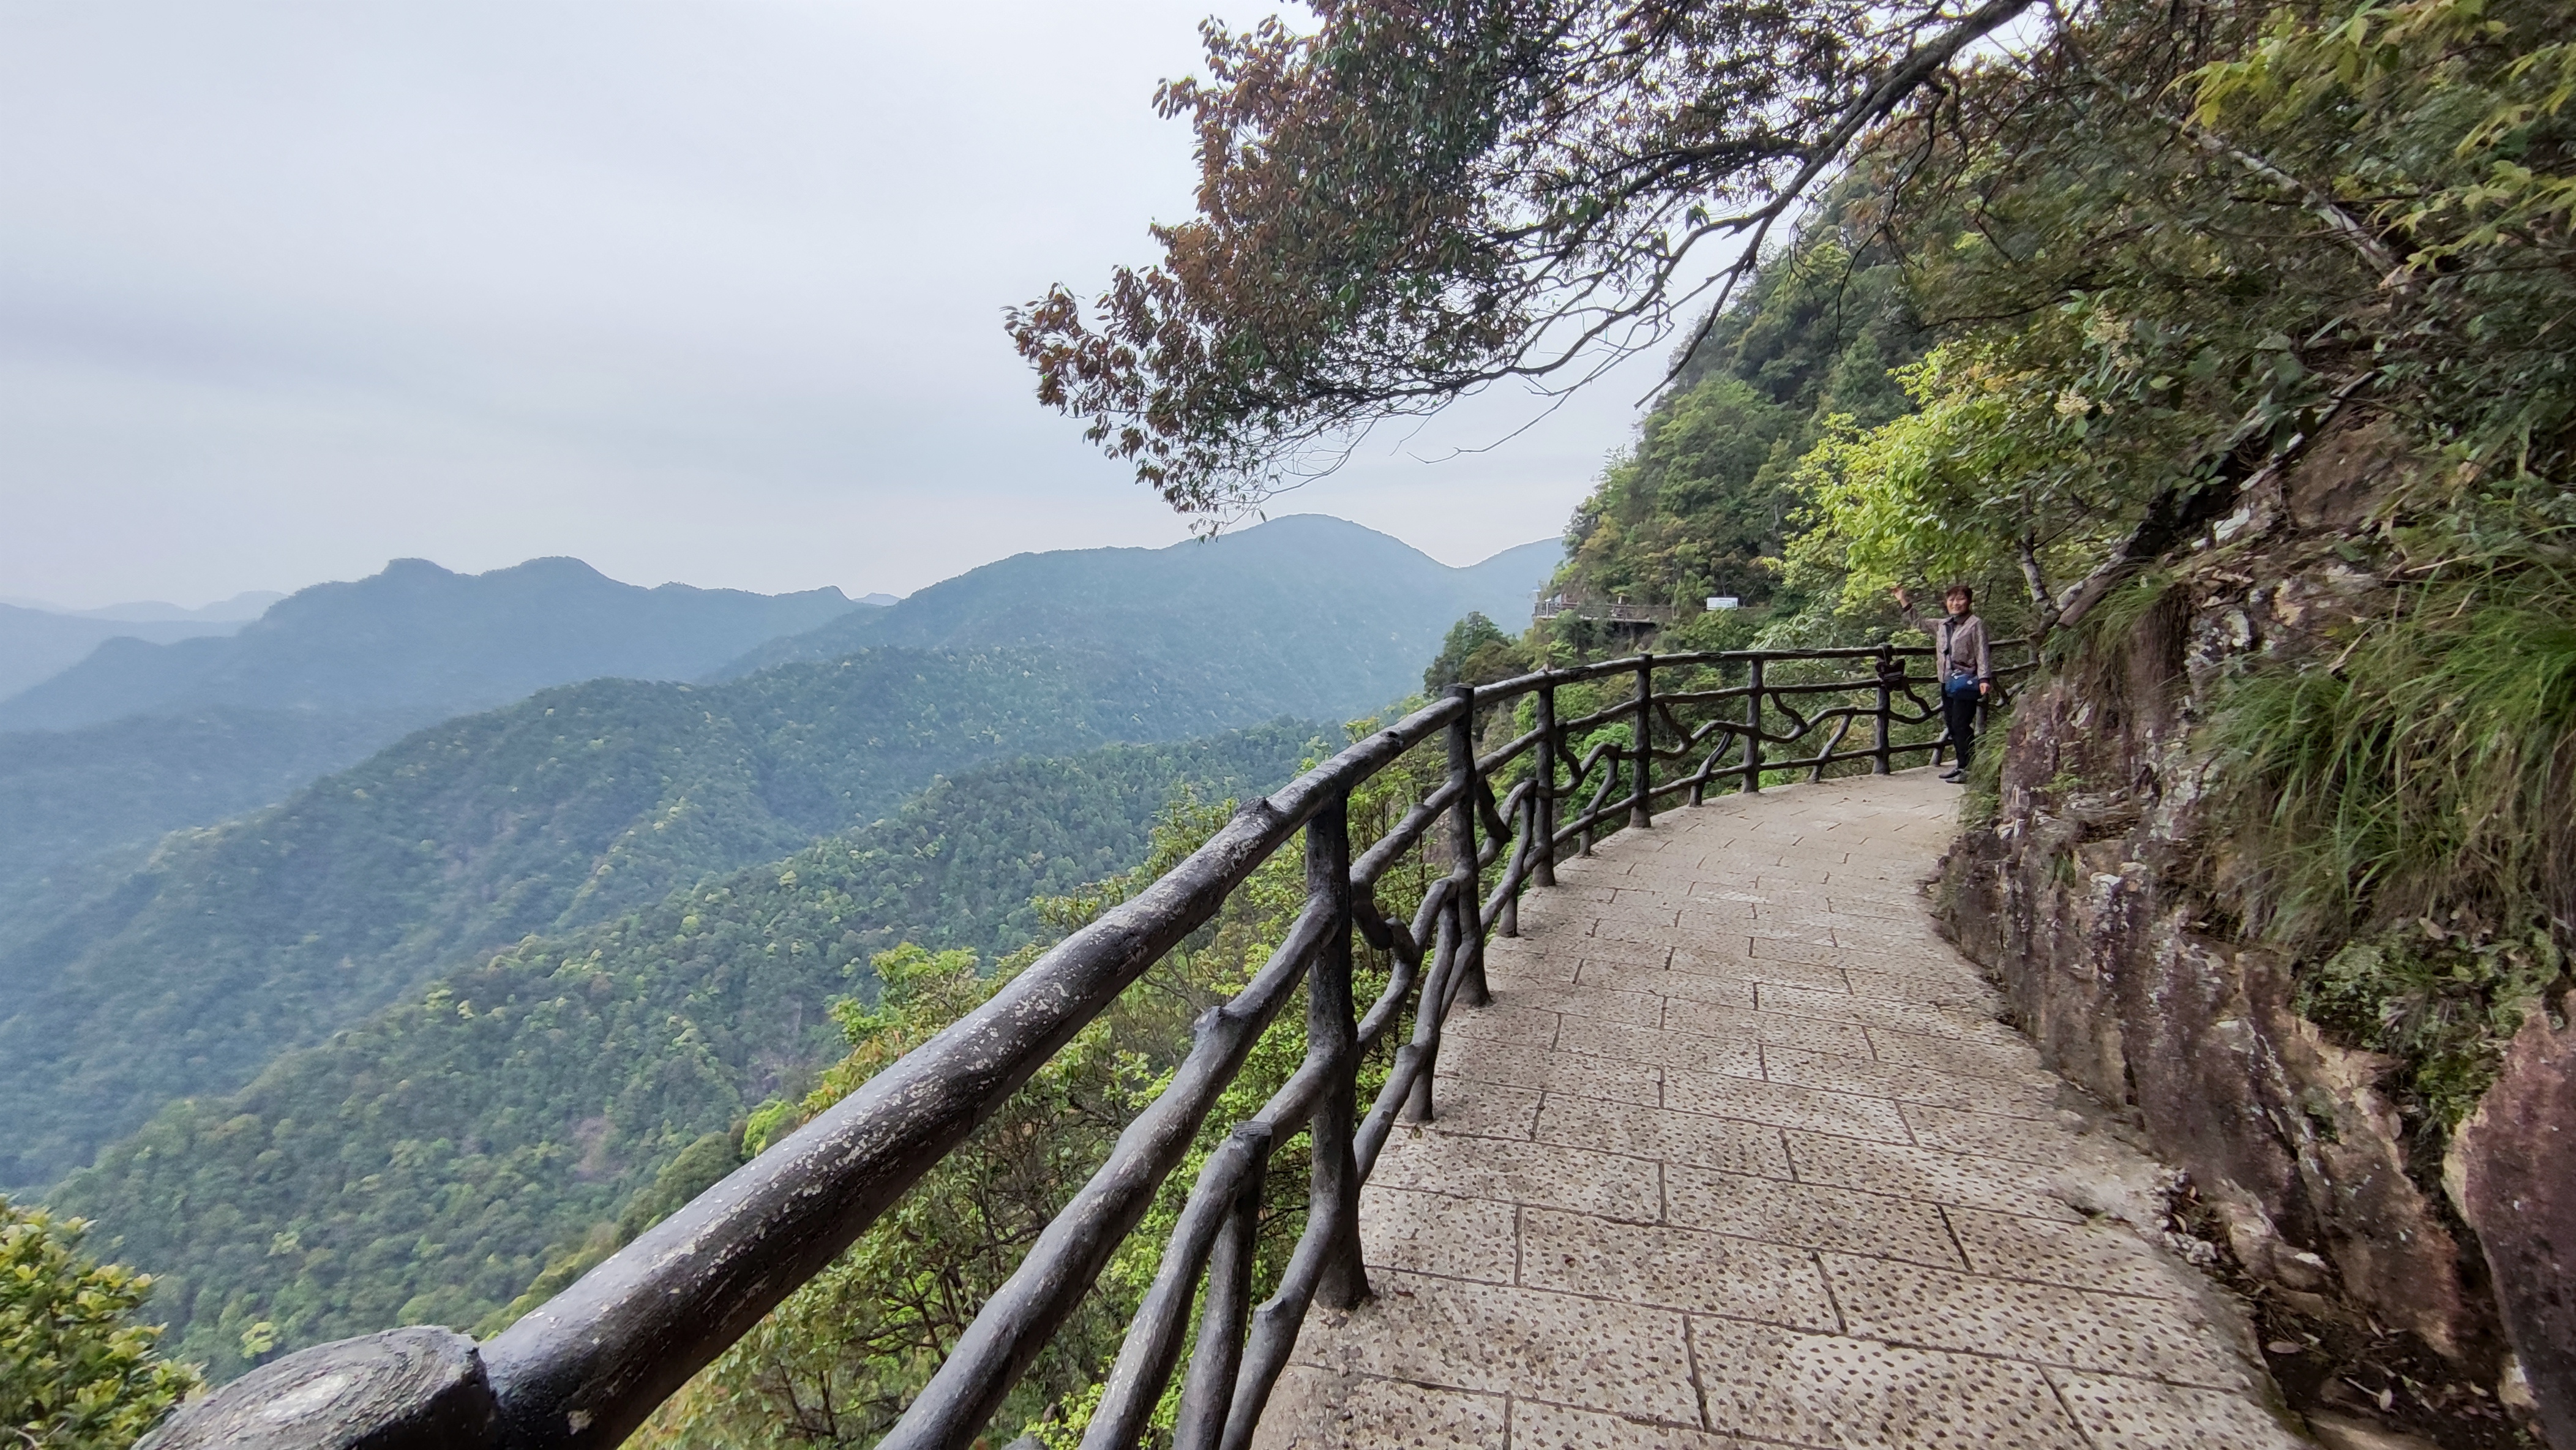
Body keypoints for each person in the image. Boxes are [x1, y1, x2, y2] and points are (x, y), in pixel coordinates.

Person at [1892, 583, 1991, 782]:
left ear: (1969, 602)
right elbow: (1920, 623)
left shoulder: (1975, 624)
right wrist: (1903, 600)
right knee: (1952, 725)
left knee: (1961, 724)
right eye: (1952, 599)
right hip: (1947, 680)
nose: (1956, 603)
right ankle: (1962, 765)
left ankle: (1969, 768)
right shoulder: (1944, 625)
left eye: (1961, 599)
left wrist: (1984, 678)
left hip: (1967, 680)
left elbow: (1982, 651)